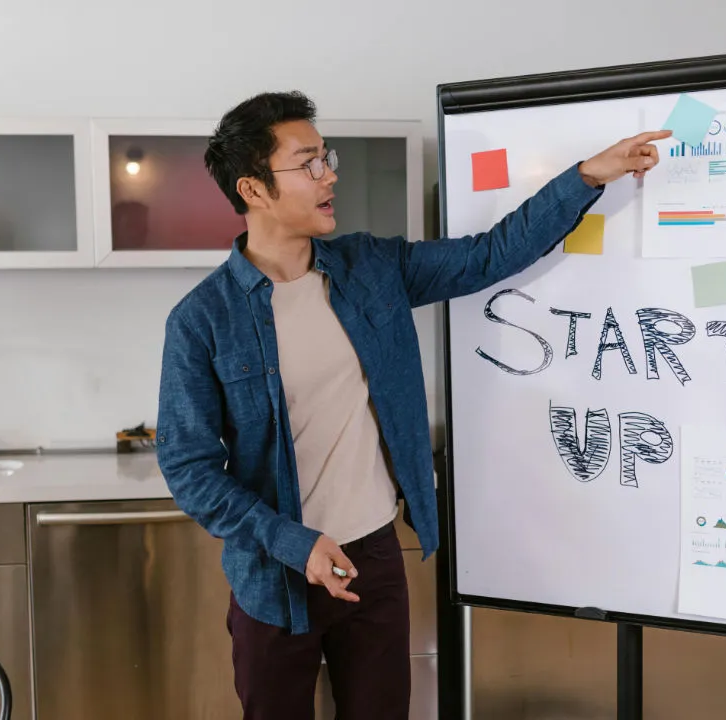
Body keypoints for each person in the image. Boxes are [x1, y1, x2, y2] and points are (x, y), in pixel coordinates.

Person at [155, 90, 670, 719]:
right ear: (254, 190)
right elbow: (189, 468)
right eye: (309, 163)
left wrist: (590, 175)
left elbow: (490, 255)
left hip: (371, 554)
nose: (330, 175)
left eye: (328, 158)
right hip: (275, 571)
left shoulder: (371, 267)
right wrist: (294, 543)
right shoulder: (202, 320)